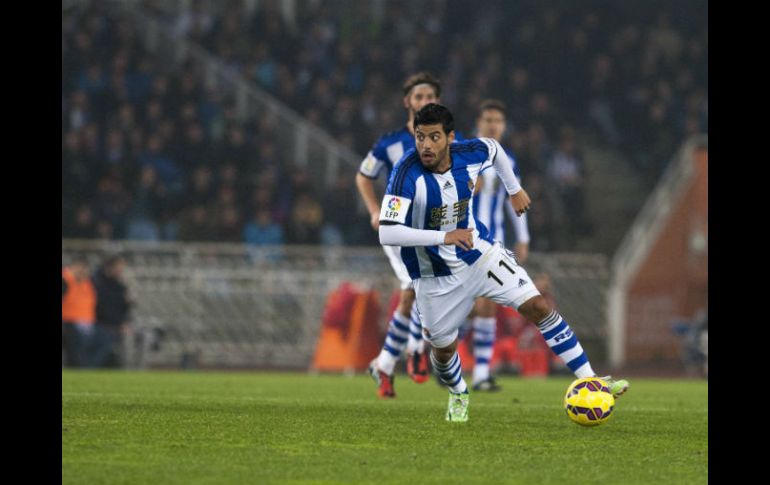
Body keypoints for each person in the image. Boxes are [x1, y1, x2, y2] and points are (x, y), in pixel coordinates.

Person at [378, 103, 629, 422]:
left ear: (450, 138)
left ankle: (592, 380)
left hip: (480, 254)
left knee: (538, 306)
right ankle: (458, 390)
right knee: (442, 350)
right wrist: (443, 237)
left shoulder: (470, 152)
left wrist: (514, 189)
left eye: (434, 137)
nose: (426, 145)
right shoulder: (405, 172)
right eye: (420, 137)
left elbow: (495, 150)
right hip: (434, 275)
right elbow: (387, 232)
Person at [356, 72, 463, 398]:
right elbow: (363, 176)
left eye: (430, 96)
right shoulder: (390, 143)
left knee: (416, 289)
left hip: (431, 226)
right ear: (407, 102)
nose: (424, 101)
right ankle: (416, 347)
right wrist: (374, 210)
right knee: (417, 285)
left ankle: (385, 363)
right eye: (418, 97)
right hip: (398, 225)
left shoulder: (448, 140)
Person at [465, 99, 531, 391]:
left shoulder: (508, 160)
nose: (493, 125)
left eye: (498, 120)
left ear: (504, 126)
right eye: (488, 119)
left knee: (487, 304)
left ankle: (481, 373)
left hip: (495, 242)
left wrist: (524, 237)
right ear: (479, 123)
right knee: (464, 306)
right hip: (464, 240)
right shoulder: (463, 154)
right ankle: (444, 357)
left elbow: (514, 200)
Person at [90, 254, 133, 368]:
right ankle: (90, 368)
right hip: (99, 324)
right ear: (110, 267)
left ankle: (135, 369)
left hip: (116, 325)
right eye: (119, 268)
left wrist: (125, 322)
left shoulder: (120, 286)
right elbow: (100, 308)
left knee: (144, 337)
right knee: (106, 341)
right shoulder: (95, 283)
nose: (121, 271)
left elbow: (124, 309)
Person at [62, 258, 97, 367]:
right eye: (80, 268)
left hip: (86, 323)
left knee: (104, 339)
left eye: (85, 269)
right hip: (68, 321)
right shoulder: (65, 281)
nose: (82, 271)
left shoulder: (87, 283)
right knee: (74, 340)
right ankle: (76, 366)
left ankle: (87, 366)